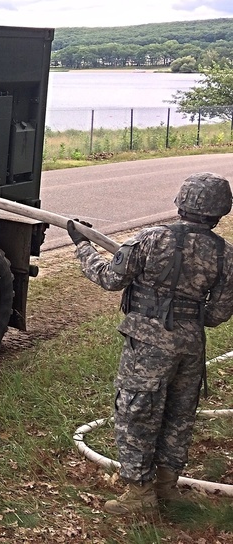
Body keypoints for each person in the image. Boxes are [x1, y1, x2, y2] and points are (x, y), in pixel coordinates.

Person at [68, 171, 233, 515]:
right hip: (191, 347)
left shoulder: (151, 238)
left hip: (147, 345)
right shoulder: (225, 255)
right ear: (221, 211)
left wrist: (82, 246)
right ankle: (166, 489)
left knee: (136, 413)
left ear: (183, 202)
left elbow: (110, 278)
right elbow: (217, 314)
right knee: (178, 414)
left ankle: (140, 497)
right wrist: (186, 311)